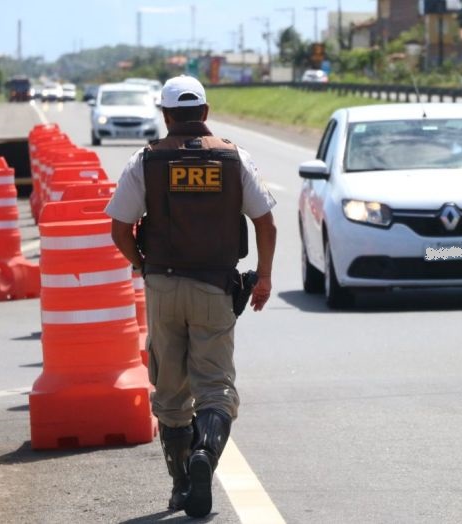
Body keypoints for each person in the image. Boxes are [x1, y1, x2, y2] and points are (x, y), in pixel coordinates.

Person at [105, 75, 277, 518]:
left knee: (170, 391)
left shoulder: (145, 161)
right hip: (214, 288)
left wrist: (143, 265)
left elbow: (120, 228)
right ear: (205, 111)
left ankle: (182, 485)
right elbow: (265, 222)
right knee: (215, 388)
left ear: (165, 115)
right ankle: (206, 454)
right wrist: (263, 279)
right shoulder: (234, 157)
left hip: (162, 287)